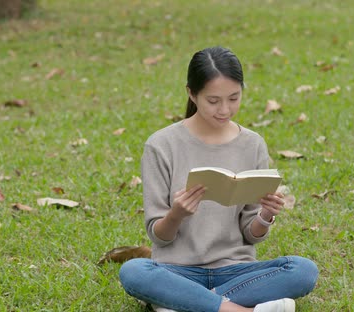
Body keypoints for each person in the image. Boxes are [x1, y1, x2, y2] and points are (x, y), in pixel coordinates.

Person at [119, 46, 318, 312]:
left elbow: (252, 235)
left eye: (234, 98)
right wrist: (176, 214)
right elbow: (159, 236)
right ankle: (237, 309)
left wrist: (265, 216)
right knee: (134, 271)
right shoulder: (161, 145)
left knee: (303, 271)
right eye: (213, 101)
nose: (225, 109)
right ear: (191, 93)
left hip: (236, 271)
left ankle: (185, 303)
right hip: (177, 270)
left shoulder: (253, 144)